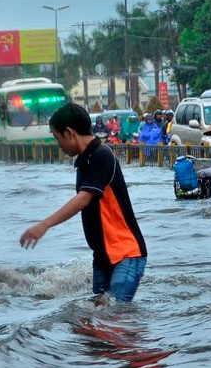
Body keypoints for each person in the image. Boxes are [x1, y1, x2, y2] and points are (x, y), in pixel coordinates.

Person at [20, 103, 147, 303]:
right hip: (103, 256)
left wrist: (45, 224)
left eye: (58, 138)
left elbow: (83, 198)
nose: (59, 145)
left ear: (69, 133)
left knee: (115, 313)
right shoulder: (84, 162)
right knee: (99, 313)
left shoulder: (102, 155)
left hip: (126, 253)